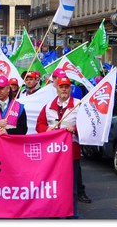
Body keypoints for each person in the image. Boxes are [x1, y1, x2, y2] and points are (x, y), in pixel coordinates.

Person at [36, 77, 81, 218]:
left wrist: (74, 129)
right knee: (52, 186)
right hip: (52, 155)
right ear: (56, 87)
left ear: (70, 88)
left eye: (66, 86)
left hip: (71, 154)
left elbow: (85, 127)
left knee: (71, 188)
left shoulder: (78, 105)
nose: (64, 89)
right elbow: (39, 125)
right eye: (61, 86)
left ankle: (71, 215)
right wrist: (46, 129)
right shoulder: (48, 106)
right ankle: (53, 214)